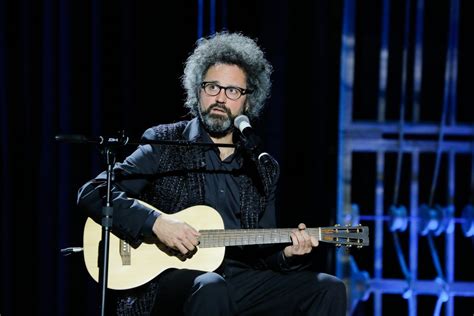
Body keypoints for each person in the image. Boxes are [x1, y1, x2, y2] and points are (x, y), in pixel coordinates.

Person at [77, 31, 346, 316]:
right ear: (197, 90)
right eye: (212, 87)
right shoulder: (164, 143)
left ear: (247, 101)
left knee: (328, 288)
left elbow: (262, 256)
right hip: (169, 282)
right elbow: (93, 192)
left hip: (238, 281)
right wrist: (156, 223)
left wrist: (287, 255)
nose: (220, 98)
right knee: (211, 286)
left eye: (232, 91)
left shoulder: (262, 168)